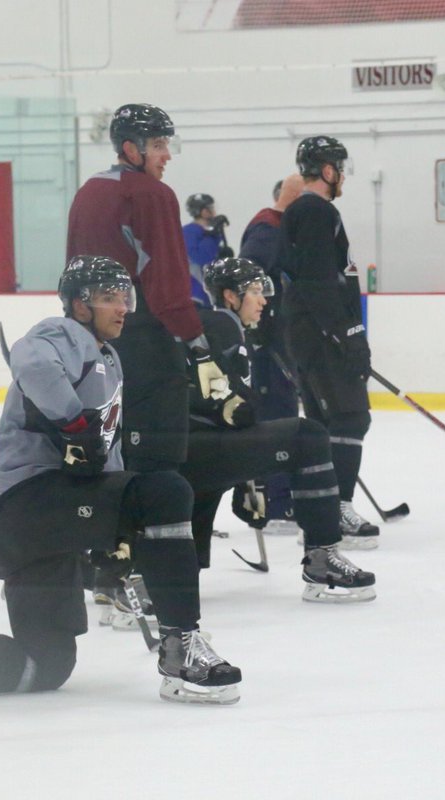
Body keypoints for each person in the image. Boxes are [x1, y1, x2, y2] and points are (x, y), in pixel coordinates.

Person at [0, 257, 242, 707]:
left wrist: (114, 538)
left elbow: (104, 454)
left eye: (124, 297)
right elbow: (29, 361)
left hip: (27, 527)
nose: (122, 307)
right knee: (168, 491)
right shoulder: (64, 334)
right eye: (109, 297)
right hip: (26, 499)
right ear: (79, 304)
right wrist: (73, 425)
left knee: (46, 663)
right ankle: (181, 648)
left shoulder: (109, 359)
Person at [180, 257, 375, 602]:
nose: (264, 300)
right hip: (204, 448)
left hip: (192, 449)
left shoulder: (211, 325)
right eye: (255, 292)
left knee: (185, 564)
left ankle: (149, 575)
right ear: (229, 296)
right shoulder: (223, 327)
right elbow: (231, 408)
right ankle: (321, 558)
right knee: (309, 437)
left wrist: (247, 477)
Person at [65, 103, 226, 475]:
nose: (167, 154)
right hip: (143, 341)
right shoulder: (153, 194)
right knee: (157, 459)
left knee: (111, 450)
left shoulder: (87, 191)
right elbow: (166, 285)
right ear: (130, 148)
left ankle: (118, 531)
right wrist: (198, 345)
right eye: (157, 145)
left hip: (91, 344)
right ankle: (157, 530)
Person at [277, 135, 379, 548]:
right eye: (340, 167)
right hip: (321, 337)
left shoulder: (308, 211)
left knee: (324, 425)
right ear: (328, 170)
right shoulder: (316, 211)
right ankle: (337, 508)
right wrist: (347, 333)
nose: (343, 176)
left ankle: (318, 511)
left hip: (310, 335)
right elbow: (320, 282)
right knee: (352, 417)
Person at [236, 173, 306, 533]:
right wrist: (260, 328)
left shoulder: (282, 228)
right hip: (266, 344)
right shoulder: (267, 228)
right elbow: (245, 279)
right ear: (291, 195)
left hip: (280, 338)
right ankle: (276, 504)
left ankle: (281, 497)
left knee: (283, 412)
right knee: (276, 415)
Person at [182, 193, 231, 308]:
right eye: (211, 208)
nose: (214, 212)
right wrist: (212, 235)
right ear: (204, 212)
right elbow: (201, 258)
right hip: (195, 293)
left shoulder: (210, 233)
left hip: (208, 292)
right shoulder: (189, 232)